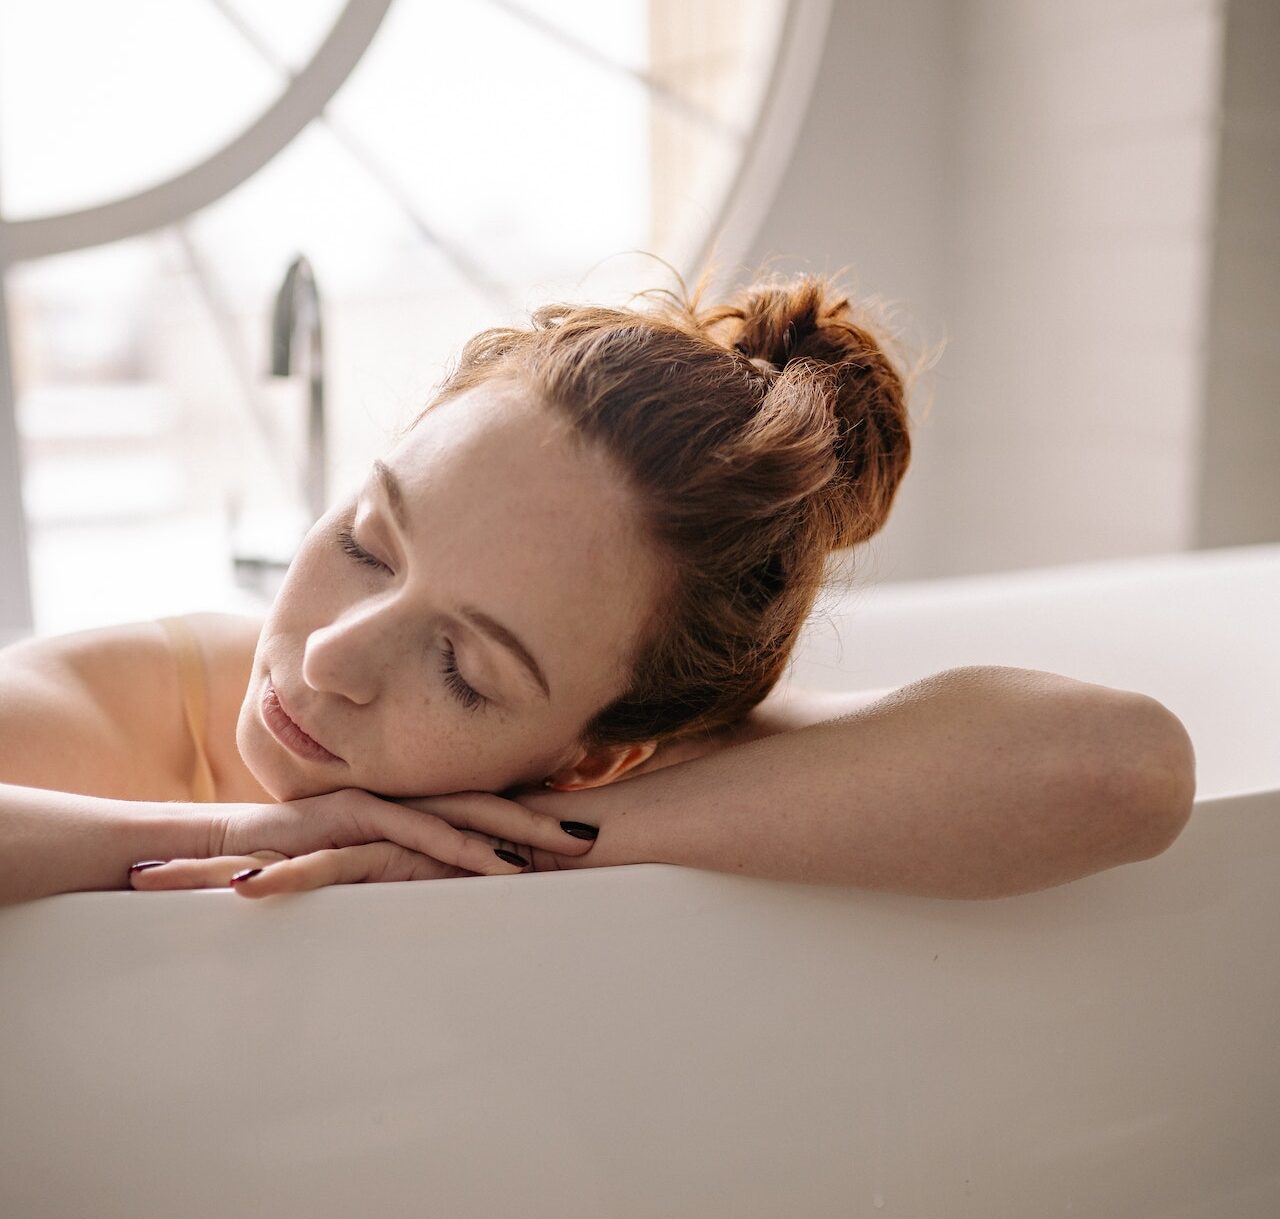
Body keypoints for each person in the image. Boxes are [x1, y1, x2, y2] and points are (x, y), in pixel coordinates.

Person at [0, 272, 1195, 906]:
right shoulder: (155, 690)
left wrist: (529, 849)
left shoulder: (617, 777)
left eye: (464, 670)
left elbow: (1116, 767)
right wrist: (278, 836)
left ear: (590, 759)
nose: (327, 658)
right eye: (368, 542)